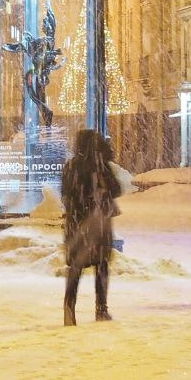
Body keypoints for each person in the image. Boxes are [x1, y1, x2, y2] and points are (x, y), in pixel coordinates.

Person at [60, 129, 123, 326]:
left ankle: (69, 308)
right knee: (101, 266)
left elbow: (65, 193)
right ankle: (101, 308)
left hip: (77, 224)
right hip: (98, 224)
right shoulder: (100, 165)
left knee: (75, 267)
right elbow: (117, 189)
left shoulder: (71, 166)